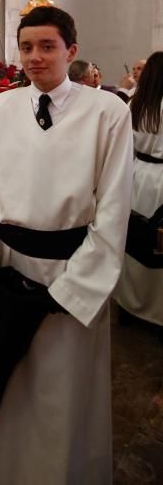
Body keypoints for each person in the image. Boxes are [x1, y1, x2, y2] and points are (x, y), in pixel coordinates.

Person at [0, 5, 133, 485]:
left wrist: (72, 290)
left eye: (47, 46)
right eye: (26, 47)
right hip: (8, 267)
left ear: (71, 50)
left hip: (69, 272)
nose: (35, 58)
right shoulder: (1, 107)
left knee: (62, 391)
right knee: (8, 383)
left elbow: (113, 208)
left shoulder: (108, 111)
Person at [114, 52, 163, 339]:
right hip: (159, 180)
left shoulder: (137, 103)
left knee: (134, 243)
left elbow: (125, 145)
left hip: (137, 175)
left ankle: (129, 305)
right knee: (157, 245)